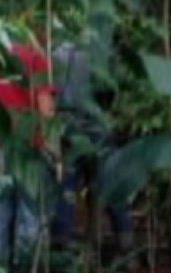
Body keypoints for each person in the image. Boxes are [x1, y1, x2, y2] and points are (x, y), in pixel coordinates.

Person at [51, 40, 133, 253]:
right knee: (111, 181)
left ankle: (63, 243)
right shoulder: (101, 53)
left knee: (67, 186)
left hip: (68, 127)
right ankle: (125, 240)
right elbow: (113, 91)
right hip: (99, 128)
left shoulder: (56, 53)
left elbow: (52, 93)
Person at [0, 43, 58, 266]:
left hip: (1, 147)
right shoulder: (36, 59)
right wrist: (54, 151)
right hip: (30, 149)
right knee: (31, 219)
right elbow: (46, 109)